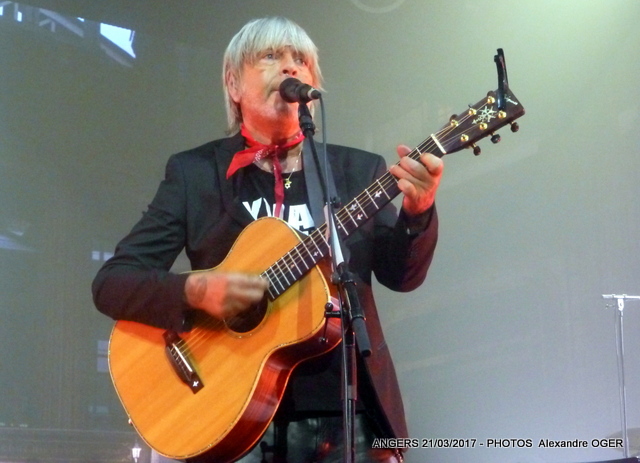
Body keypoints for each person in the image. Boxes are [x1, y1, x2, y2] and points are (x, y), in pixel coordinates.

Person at [92, 16, 443, 463]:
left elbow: (402, 276)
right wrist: (194, 290)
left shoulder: (357, 171)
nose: (290, 67)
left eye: (302, 60)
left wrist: (418, 211)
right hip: (230, 415)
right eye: (271, 56)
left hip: (348, 412)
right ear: (233, 84)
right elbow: (113, 283)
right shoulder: (196, 174)